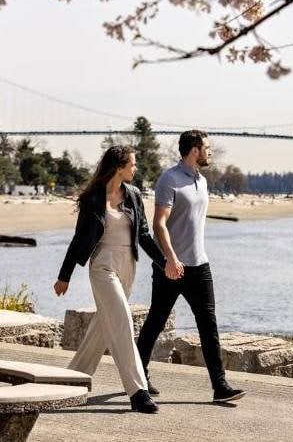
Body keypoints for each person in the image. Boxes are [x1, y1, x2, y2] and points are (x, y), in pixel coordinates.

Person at [136, 130, 245, 403]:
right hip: (171, 267)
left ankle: (220, 386)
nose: (211, 152)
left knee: (208, 325)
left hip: (200, 265)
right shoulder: (169, 179)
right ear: (194, 150)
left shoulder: (203, 181)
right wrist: (170, 259)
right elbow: (159, 223)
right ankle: (138, 376)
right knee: (155, 322)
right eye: (207, 147)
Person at [54, 145, 164, 414]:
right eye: (133, 165)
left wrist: (165, 263)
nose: (135, 169)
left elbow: (145, 236)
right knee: (122, 319)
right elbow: (79, 239)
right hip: (102, 266)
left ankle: (72, 381)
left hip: (129, 265)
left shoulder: (134, 195)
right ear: (119, 167)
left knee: (104, 325)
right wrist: (64, 276)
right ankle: (138, 391)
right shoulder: (93, 199)